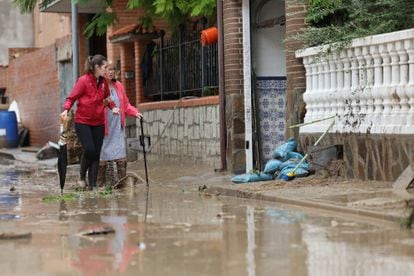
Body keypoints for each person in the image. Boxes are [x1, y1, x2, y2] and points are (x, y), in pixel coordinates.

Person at [60, 55, 118, 190]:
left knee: (96, 153)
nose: (106, 70)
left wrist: (113, 107)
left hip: (99, 122)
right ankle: (81, 176)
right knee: (90, 149)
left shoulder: (104, 82)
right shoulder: (83, 81)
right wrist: (66, 110)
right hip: (83, 122)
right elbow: (71, 97)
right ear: (97, 67)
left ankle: (92, 185)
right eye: (105, 67)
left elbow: (107, 98)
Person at [98, 62, 143, 188]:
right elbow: (95, 105)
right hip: (104, 127)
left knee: (121, 155)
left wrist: (136, 112)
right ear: (103, 71)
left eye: (113, 69)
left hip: (117, 127)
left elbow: (126, 105)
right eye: (108, 69)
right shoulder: (99, 86)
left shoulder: (119, 86)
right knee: (103, 154)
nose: (111, 72)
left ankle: (122, 183)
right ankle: (100, 184)